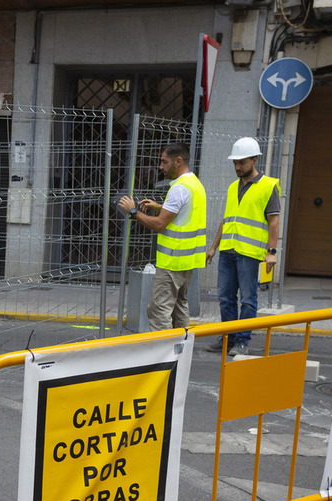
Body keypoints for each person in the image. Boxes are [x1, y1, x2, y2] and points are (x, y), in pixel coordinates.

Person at [204, 137, 281, 356]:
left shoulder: (268, 187)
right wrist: (214, 246)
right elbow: (227, 219)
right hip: (228, 251)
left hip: (249, 254)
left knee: (248, 299)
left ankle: (242, 341)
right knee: (225, 297)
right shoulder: (232, 187)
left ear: (254, 160)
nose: (237, 167)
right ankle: (228, 338)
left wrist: (271, 252)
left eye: (242, 163)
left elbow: (274, 221)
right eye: (235, 163)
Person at [118, 143, 207, 331]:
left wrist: (133, 211)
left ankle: (164, 354)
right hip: (188, 261)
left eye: (164, 162)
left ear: (178, 161)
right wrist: (160, 207)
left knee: (158, 309)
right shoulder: (195, 184)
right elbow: (184, 212)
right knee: (179, 306)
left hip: (172, 262)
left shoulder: (179, 189)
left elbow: (159, 225)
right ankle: (180, 348)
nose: (160, 167)